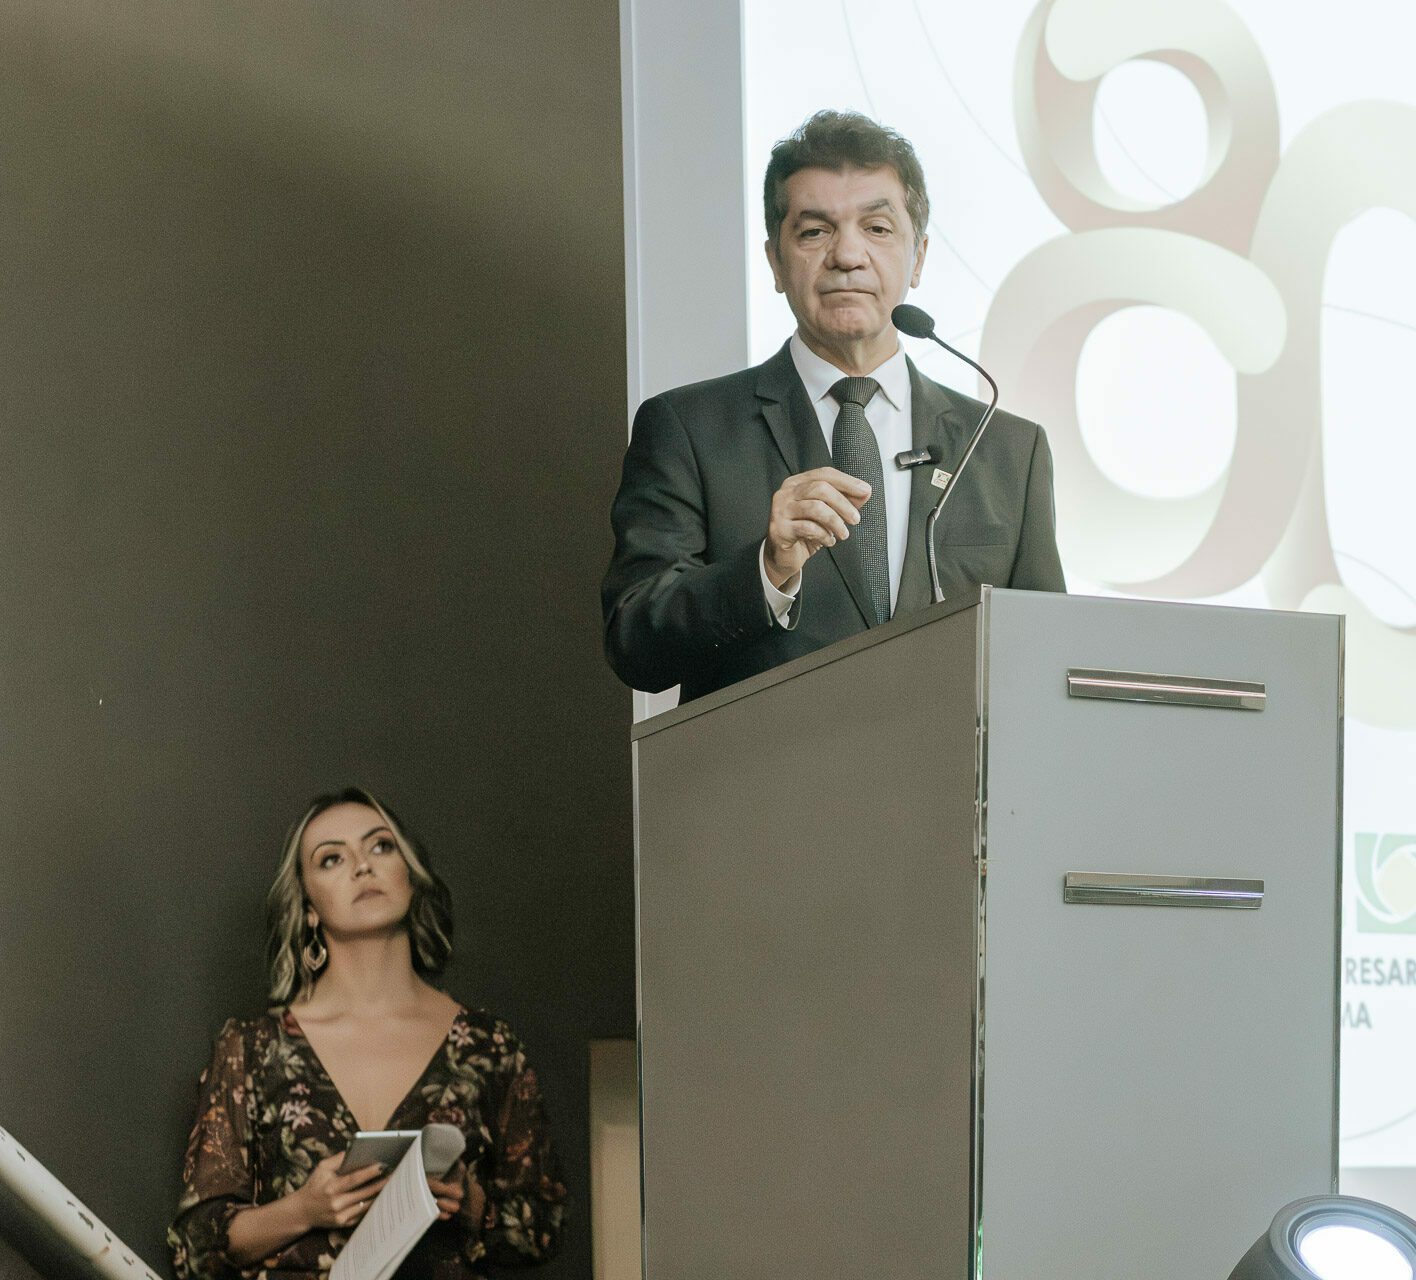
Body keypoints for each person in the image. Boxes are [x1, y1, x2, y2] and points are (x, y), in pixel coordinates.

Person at [602, 109, 1066, 701]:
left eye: (877, 228)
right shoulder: (689, 430)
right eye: (815, 232)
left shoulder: (1008, 450)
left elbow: (1045, 660)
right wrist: (766, 570)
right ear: (775, 261)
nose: (848, 256)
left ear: (919, 257)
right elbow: (635, 644)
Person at [168, 789, 565, 1280]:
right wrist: (304, 1209)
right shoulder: (252, 1046)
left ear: (410, 875)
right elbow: (195, 1247)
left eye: (380, 846)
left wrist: (472, 1203)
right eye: (331, 858)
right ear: (308, 906)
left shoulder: (489, 1045)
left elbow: (545, 1227)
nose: (362, 866)